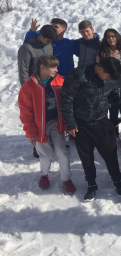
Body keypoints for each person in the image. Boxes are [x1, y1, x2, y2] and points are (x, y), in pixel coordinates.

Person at [60, 57, 121, 202]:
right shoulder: (78, 75)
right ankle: (91, 184)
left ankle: (117, 181)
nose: (108, 79)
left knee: (110, 154)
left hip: (101, 121)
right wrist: (71, 124)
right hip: (81, 124)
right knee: (86, 158)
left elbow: (116, 94)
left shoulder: (109, 78)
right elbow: (66, 100)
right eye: (108, 76)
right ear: (100, 68)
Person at [18, 55, 75, 195]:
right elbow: (25, 111)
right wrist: (30, 132)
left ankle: (66, 179)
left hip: (57, 123)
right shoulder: (29, 86)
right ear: (42, 67)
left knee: (62, 152)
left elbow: (69, 104)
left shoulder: (60, 81)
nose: (56, 69)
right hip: (39, 127)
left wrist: (68, 123)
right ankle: (44, 175)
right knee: (46, 154)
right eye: (53, 67)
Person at [97, 29, 121, 134]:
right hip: (109, 86)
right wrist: (110, 59)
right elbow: (100, 67)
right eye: (108, 36)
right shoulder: (103, 52)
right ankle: (114, 133)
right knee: (113, 110)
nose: (111, 38)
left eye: (113, 36)